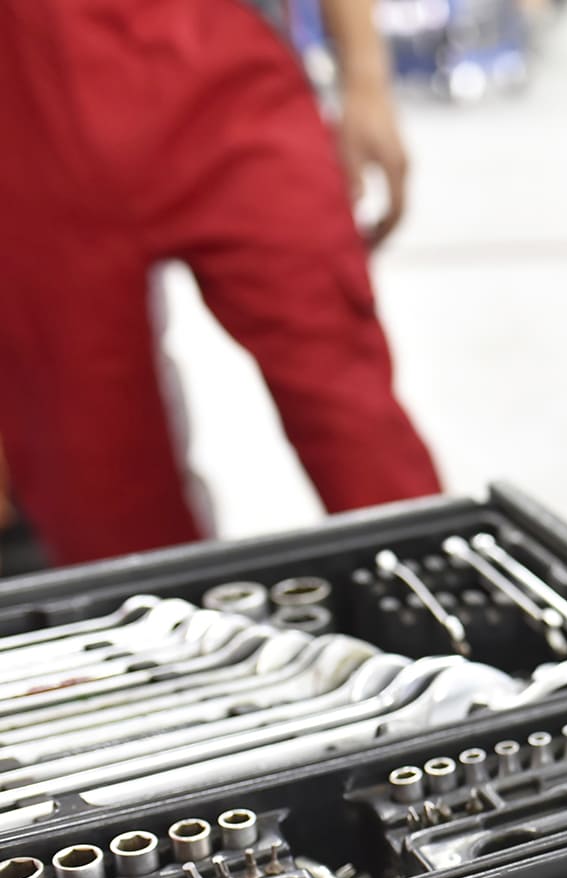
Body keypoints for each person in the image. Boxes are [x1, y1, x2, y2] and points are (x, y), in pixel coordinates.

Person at [0, 0, 441, 567]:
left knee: (350, 412)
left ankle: (436, 604)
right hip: (37, 116)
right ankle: (164, 638)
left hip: (231, 87)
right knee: (94, 478)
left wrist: (365, 79)